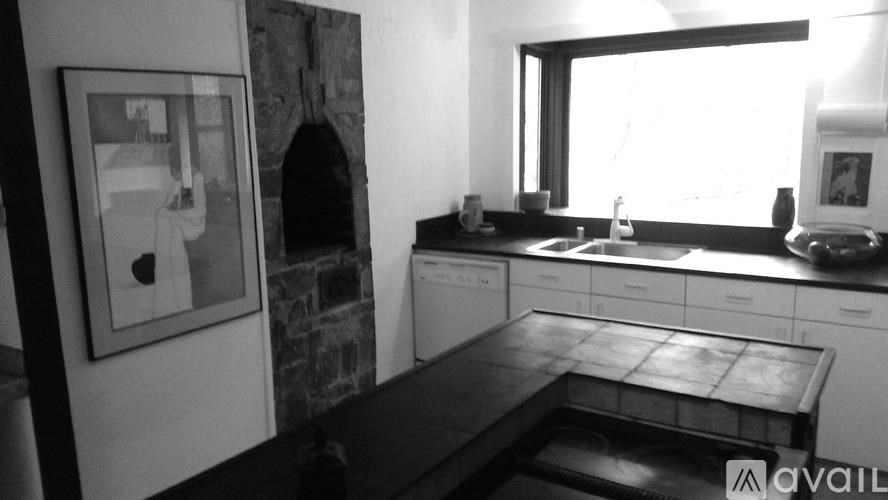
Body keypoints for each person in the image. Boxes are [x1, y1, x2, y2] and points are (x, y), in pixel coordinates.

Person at [151, 140, 206, 317]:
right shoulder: (180, 180)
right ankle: (167, 288)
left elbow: (197, 212)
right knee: (164, 219)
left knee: (168, 222)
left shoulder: (195, 178)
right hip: (181, 221)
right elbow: (170, 203)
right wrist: (175, 187)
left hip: (194, 224)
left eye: (175, 170)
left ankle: (179, 295)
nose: (174, 174)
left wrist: (176, 212)